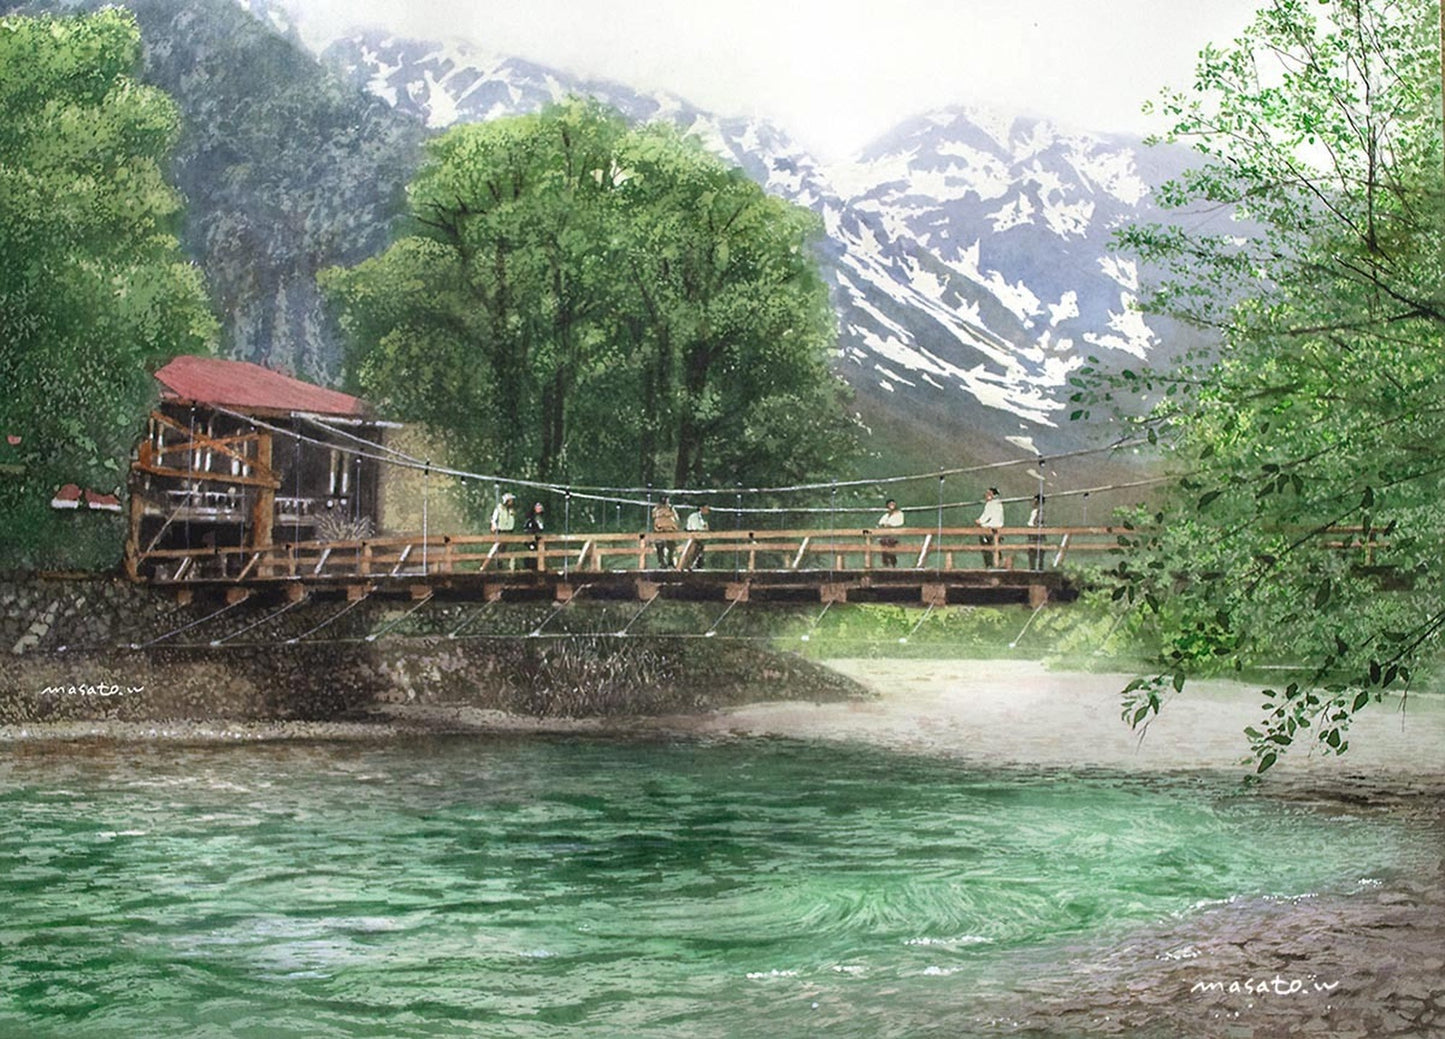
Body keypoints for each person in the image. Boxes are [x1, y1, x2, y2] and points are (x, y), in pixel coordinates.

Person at [977, 487, 1005, 568]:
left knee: (987, 548)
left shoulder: (991, 504)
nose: (986, 495)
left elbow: (986, 517)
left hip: (990, 529)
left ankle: (990, 565)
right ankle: (998, 564)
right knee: (996, 548)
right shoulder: (999, 504)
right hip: (997, 529)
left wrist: (979, 521)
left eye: (988, 493)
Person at [490, 492, 518, 569]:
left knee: (511, 550)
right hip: (501, 531)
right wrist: (494, 527)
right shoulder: (499, 508)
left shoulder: (511, 510)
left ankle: (511, 567)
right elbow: (493, 519)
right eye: (510, 500)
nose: (512, 502)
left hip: (510, 531)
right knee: (500, 549)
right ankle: (498, 566)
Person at [652, 496, 679, 569]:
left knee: (671, 547)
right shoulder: (656, 509)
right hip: (660, 531)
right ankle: (662, 563)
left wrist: (674, 527)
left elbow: (676, 518)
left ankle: (671, 562)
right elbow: (654, 517)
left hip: (670, 530)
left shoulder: (671, 508)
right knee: (660, 546)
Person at [876, 498, 904, 567]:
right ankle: (885, 563)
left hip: (893, 535)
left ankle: (893, 563)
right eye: (890, 504)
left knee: (891, 549)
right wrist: (884, 525)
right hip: (885, 536)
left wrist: (889, 525)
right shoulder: (886, 515)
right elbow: (880, 523)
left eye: (893, 504)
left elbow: (899, 523)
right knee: (884, 547)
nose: (892, 505)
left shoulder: (899, 514)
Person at [681, 504, 710, 570]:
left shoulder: (700, 518)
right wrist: (704, 529)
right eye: (706, 509)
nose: (708, 511)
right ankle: (690, 565)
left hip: (696, 536)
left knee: (698, 548)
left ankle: (693, 564)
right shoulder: (695, 516)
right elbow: (697, 527)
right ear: (701, 508)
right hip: (694, 536)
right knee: (695, 548)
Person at [523, 501, 545, 569]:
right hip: (532, 541)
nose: (539, 508)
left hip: (539, 541)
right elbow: (528, 530)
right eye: (537, 506)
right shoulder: (531, 520)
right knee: (532, 553)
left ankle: (537, 567)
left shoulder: (541, 518)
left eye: (540, 506)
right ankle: (530, 567)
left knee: (539, 554)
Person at [1027, 494, 1046, 570]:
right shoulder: (1034, 511)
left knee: (1037, 552)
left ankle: (1038, 569)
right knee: (1032, 552)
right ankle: (1033, 569)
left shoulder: (1040, 512)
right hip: (1032, 533)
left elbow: (1038, 522)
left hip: (1036, 534)